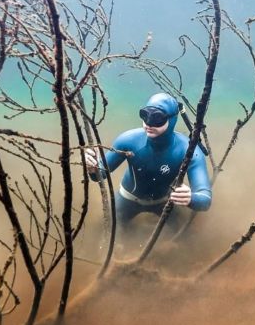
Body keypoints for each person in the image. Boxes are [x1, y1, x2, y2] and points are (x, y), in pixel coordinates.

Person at [84, 92, 212, 228]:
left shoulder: (188, 150)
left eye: (157, 118)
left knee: (186, 237)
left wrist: (191, 198)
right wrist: (93, 167)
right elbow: (100, 175)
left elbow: (205, 200)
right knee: (104, 229)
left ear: (172, 119)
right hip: (127, 198)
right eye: (145, 115)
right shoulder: (128, 140)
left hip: (164, 201)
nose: (148, 123)